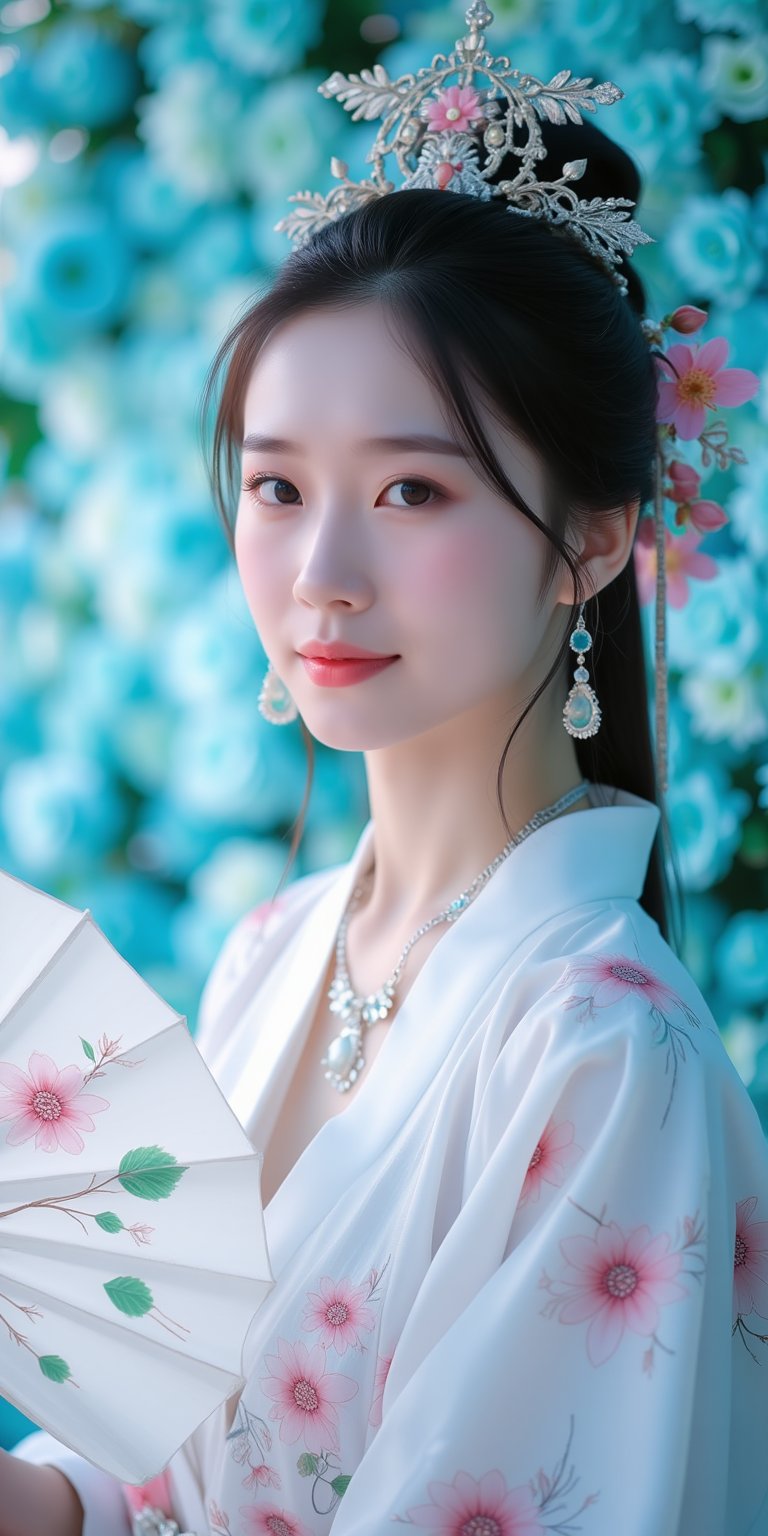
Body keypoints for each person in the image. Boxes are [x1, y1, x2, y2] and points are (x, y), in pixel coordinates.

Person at [5, 10, 768, 1535]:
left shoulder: (604, 1059)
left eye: (414, 487)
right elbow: (168, 1455)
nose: (322, 574)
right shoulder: (274, 952)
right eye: (279, 486)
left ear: (597, 540)